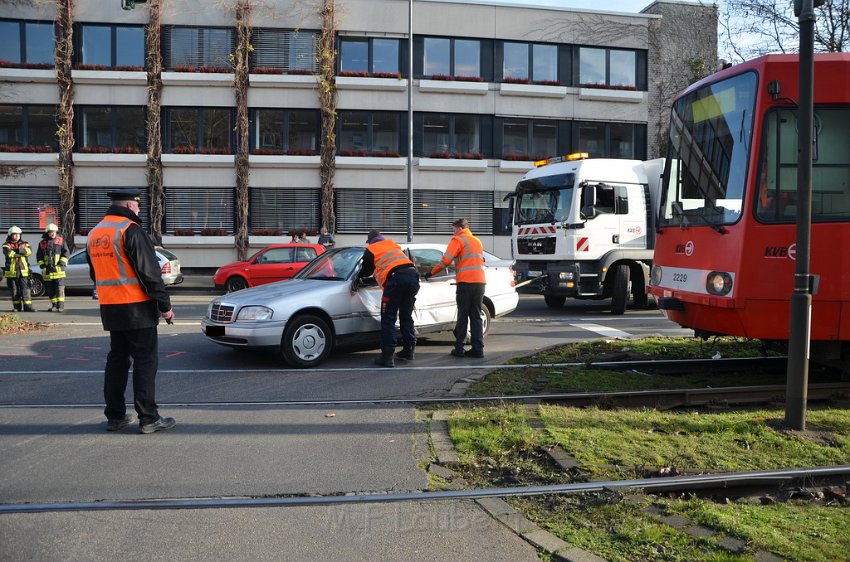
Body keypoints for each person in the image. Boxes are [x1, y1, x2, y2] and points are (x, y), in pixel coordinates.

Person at [86, 188, 176, 434]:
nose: (139, 211)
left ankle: (115, 416)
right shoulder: (130, 230)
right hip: (137, 308)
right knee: (145, 362)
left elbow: (95, 274)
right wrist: (165, 307)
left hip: (110, 308)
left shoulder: (95, 233)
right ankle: (148, 418)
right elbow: (150, 274)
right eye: (137, 206)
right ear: (128, 205)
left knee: (117, 360)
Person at [424, 217, 486, 358]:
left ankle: (459, 348)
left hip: (465, 283)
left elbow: (446, 260)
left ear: (458, 228)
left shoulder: (458, 240)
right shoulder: (477, 241)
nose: (452, 233)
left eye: (453, 230)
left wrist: (431, 272)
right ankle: (478, 348)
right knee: (476, 316)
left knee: (463, 316)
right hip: (480, 282)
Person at [359, 229, 420, 367]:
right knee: (406, 315)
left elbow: (365, 271)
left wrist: (359, 278)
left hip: (395, 280)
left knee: (388, 317)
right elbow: (400, 262)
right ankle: (409, 350)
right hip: (412, 278)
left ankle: (387, 356)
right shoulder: (393, 245)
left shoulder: (372, 249)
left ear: (370, 241)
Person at [36, 223, 69, 312]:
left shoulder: (61, 241)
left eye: (54, 232)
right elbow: (39, 256)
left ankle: (61, 306)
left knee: (60, 288)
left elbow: (66, 252)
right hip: (47, 271)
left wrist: (62, 262)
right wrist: (42, 265)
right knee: (50, 289)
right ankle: (54, 305)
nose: (52, 233)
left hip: (58, 270)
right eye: (51, 232)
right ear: (47, 232)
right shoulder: (42, 243)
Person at [3, 226, 35, 312]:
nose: (17, 236)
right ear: (10, 235)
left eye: (18, 234)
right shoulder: (6, 245)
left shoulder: (25, 243)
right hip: (12, 272)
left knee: (26, 289)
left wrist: (16, 251)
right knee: (14, 290)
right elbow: (9, 254)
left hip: (23, 271)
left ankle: (28, 307)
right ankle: (17, 307)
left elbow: (29, 252)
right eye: (15, 234)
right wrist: (21, 252)